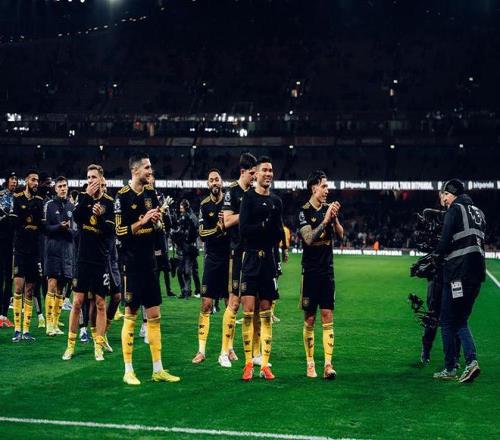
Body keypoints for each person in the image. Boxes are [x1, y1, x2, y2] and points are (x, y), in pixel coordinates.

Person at [115, 152, 180, 385]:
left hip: (150, 263)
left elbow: (158, 227)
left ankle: (157, 369)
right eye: (147, 168)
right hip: (131, 264)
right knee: (131, 316)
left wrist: (158, 221)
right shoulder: (122, 196)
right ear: (135, 170)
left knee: (154, 316)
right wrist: (142, 221)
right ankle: (128, 370)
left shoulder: (151, 193)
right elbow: (119, 231)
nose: (151, 172)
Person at [432, 179, 486, 383]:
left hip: (457, 274)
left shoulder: (454, 210)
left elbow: (445, 242)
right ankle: (462, 363)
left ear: (451, 194)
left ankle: (456, 366)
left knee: (449, 320)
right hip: (476, 275)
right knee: (460, 318)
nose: (444, 199)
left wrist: (435, 258)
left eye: (445, 195)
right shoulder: (479, 213)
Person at [62, 165, 115, 361]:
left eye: (94, 177)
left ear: (101, 179)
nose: (90, 180)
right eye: (88, 177)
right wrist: (87, 197)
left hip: (100, 259)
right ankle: (70, 346)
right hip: (82, 258)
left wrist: (100, 217)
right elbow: (76, 217)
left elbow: (110, 230)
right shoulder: (84, 198)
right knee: (77, 302)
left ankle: (98, 346)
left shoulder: (109, 202)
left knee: (100, 303)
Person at [239, 156, 284, 381]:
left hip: (268, 262)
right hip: (250, 260)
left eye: (271, 170)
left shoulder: (277, 201)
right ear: (256, 174)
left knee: (266, 314)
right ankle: (248, 363)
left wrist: (273, 227)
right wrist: (264, 225)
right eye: (264, 170)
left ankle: (264, 364)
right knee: (248, 313)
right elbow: (243, 230)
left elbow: (279, 234)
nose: (268, 174)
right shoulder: (248, 198)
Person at [298, 170, 342, 380]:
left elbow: (341, 235)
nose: (327, 190)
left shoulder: (328, 209)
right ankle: (310, 363)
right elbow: (308, 239)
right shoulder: (304, 211)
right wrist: (325, 221)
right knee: (310, 318)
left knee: (327, 316)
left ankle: (328, 365)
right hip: (310, 272)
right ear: (314, 187)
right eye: (324, 186)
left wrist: (334, 219)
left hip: (327, 271)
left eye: (327, 187)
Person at [219, 152, 257, 368]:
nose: (254, 177)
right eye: (252, 173)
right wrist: (246, 214)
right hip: (238, 253)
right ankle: (223, 352)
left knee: (252, 305)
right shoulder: (232, 192)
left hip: (254, 253)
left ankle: (254, 354)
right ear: (243, 172)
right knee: (234, 302)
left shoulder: (254, 192)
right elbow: (225, 221)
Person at [192, 169, 230, 364]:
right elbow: (202, 234)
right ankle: (201, 351)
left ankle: (229, 348)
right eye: (211, 180)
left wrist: (226, 225)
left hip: (229, 258)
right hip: (212, 259)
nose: (214, 183)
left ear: (221, 182)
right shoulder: (204, 205)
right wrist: (219, 228)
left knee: (230, 305)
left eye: (217, 179)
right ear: (208, 184)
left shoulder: (229, 202)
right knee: (206, 304)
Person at [10, 170, 44, 342]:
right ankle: (17, 330)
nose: (36, 183)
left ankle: (26, 330)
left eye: (37, 180)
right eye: (33, 180)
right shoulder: (17, 198)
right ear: (26, 181)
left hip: (34, 251)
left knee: (30, 291)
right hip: (20, 250)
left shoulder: (40, 201)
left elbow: (41, 225)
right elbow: (15, 223)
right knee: (18, 288)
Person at [43, 176, 75, 336]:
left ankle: (55, 323)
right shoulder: (49, 205)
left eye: (65, 186)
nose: (63, 188)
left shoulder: (71, 207)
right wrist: (59, 227)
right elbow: (44, 228)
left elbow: (75, 232)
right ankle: (49, 324)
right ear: (55, 189)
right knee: (52, 284)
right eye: (60, 186)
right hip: (53, 250)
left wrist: (67, 229)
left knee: (61, 288)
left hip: (67, 252)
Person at [0, 171, 18, 327]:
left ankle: (4, 315)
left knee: (9, 278)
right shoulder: (0, 196)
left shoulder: (18, 198)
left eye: (16, 179)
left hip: (12, 242)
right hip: (1, 239)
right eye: (12, 179)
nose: (14, 182)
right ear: (7, 181)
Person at [173, 200, 199, 299]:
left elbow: (195, 230)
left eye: (181, 208)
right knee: (181, 271)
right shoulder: (184, 217)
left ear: (186, 208)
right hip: (183, 247)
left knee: (191, 271)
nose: (180, 210)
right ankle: (186, 290)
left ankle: (192, 291)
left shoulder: (191, 217)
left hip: (190, 248)